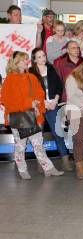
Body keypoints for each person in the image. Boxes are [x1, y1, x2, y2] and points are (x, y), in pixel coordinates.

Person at [1, 51, 64, 179]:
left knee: (38, 144)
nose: (26, 62)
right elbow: (7, 100)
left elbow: (40, 93)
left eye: (27, 59)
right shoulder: (10, 79)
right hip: (18, 117)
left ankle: (49, 168)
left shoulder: (31, 77)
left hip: (32, 115)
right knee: (20, 145)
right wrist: (30, 102)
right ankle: (22, 170)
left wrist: (37, 103)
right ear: (16, 62)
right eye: (24, 60)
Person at [28, 48, 71, 172]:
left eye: (44, 56)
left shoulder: (51, 68)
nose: (43, 58)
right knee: (38, 136)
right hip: (39, 107)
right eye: (39, 57)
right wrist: (43, 103)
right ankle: (41, 163)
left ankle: (65, 161)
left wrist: (56, 100)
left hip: (53, 105)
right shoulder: (30, 72)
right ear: (34, 59)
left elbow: (59, 85)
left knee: (58, 132)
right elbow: (30, 91)